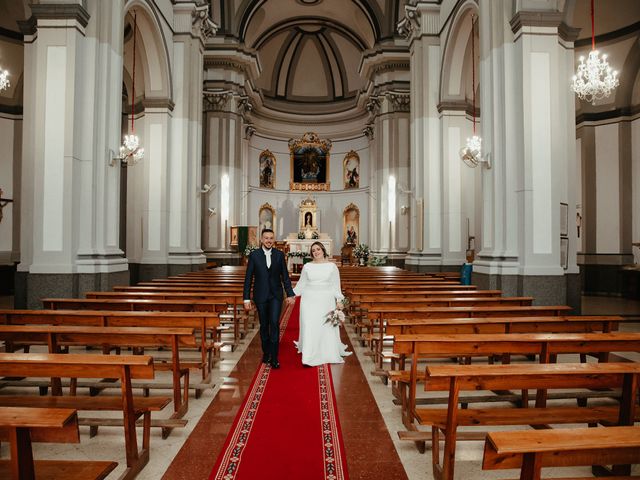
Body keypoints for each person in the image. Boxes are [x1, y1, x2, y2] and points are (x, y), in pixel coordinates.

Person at [243, 229, 296, 369]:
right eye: (266, 238)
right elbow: (248, 278)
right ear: (261, 239)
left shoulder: (279, 255)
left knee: (274, 323)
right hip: (260, 296)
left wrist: (290, 293)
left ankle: (274, 357)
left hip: (275, 296)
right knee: (264, 325)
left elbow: (285, 276)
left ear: (274, 240)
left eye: (271, 238)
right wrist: (246, 298)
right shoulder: (254, 256)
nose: (269, 240)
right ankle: (266, 353)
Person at [293, 241, 352, 366]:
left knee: (326, 326)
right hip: (308, 300)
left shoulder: (332, 266)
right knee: (309, 325)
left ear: (323, 250)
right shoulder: (307, 266)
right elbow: (301, 284)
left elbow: (336, 286)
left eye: (318, 249)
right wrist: (291, 295)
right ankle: (308, 355)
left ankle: (327, 351)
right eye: (313, 250)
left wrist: (339, 300)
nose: (316, 252)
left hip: (326, 300)